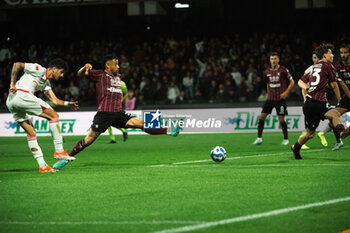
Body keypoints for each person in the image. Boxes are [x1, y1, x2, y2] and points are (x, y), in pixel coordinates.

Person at [53, 55, 180, 169]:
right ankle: (65, 158)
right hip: (104, 114)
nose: (118, 67)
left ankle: (168, 131)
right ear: (108, 65)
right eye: (116, 64)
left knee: (140, 123)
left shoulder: (119, 77)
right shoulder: (100, 74)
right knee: (89, 140)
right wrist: (84, 68)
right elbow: (80, 75)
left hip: (119, 113)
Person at [6, 59, 78, 173]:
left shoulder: (46, 83)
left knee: (31, 133)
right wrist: (12, 83)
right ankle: (59, 151)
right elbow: (17, 65)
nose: (62, 75)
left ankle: (43, 166)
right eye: (61, 72)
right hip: (21, 95)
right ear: (54, 69)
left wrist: (67, 103)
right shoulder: (38, 69)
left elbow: (54, 100)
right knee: (54, 116)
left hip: (11, 102)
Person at [291, 43, 349, 160]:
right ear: (325, 55)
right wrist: (339, 99)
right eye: (330, 53)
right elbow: (334, 85)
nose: (333, 55)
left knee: (309, 134)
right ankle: (342, 131)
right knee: (335, 114)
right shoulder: (328, 66)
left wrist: (307, 88)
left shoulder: (314, 67)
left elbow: (300, 82)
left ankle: (296, 147)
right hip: (319, 102)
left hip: (308, 104)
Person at [252, 52, 295, 145]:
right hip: (270, 99)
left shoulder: (283, 70)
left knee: (281, 120)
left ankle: (286, 139)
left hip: (280, 100)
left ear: (278, 60)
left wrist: (286, 92)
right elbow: (268, 83)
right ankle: (259, 138)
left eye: (275, 59)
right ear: (270, 60)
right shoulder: (267, 71)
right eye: (272, 59)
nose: (273, 61)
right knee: (261, 117)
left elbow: (292, 81)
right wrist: (268, 93)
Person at [317, 43, 350, 150]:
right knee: (333, 116)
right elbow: (341, 84)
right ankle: (338, 141)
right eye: (341, 53)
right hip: (347, 97)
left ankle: (348, 130)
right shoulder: (338, 66)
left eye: (345, 52)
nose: (343, 55)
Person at [300, 51, 319, 150]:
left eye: (317, 58)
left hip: (319, 100)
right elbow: (303, 85)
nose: (316, 60)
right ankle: (300, 143)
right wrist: (305, 98)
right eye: (314, 58)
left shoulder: (324, 68)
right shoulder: (309, 70)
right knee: (310, 130)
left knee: (312, 132)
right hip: (310, 100)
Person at [107, 76, 128, 144]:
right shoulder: (111, 83)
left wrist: (121, 100)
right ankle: (114, 138)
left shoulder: (121, 83)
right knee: (108, 122)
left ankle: (121, 132)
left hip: (116, 105)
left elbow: (126, 93)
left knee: (109, 122)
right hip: (110, 105)